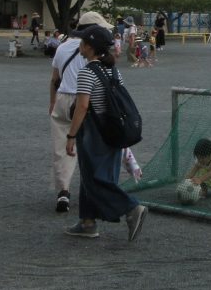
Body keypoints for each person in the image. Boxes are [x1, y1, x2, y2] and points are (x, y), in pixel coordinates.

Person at [62, 24, 148, 242]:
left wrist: (71, 136)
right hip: (112, 128)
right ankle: (87, 222)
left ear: (90, 48)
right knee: (95, 175)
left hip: (93, 129)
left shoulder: (87, 73)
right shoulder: (113, 70)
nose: (79, 46)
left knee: (93, 178)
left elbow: (82, 107)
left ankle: (131, 208)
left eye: (83, 42)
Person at [49, 11, 111, 214]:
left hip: (63, 98)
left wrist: (52, 103)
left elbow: (54, 79)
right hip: (84, 100)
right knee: (90, 147)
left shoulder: (63, 48)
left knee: (61, 148)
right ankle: (94, 191)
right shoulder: (94, 50)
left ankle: (63, 191)